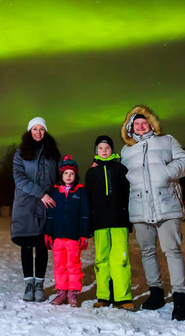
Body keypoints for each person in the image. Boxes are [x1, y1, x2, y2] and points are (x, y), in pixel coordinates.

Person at [119, 105, 185, 321]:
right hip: (140, 207)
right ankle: (156, 294)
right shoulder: (126, 150)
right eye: (136, 124)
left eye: (144, 123)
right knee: (147, 252)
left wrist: (167, 172)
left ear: (151, 124)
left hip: (166, 204)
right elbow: (120, 176)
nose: (141, 126)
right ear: (130, 128)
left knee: (173, 251)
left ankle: (180, 298)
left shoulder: (167, 140)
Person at [11, 117, 61, 302]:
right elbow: (20, 179)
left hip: (46, 205)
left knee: (42, 245)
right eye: (35, 129)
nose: (38, 132)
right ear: (29, 131)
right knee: (26, 244)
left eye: (41, 129)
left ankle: (39, 284)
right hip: (26, 205)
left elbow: (60, 175)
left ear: (45, 131)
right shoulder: (20, 153)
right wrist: (40, 193)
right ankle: (28, 285)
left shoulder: (53, 153)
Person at [85, 135, 134, 310]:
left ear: (112, 150)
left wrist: (129, 218)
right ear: (95, 150)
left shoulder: (121, 169)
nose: (104, 151)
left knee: (120, 259)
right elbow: (88, 199)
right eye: (100, 148)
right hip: (99, 223)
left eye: (107, 148)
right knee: (101, 260)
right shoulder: (91, 172)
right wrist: (88, 224)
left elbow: (128, 195)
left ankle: (123, 297)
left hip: (119, 220)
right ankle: (104, 296)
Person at [44, 155, 90, 307]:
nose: (68, 176)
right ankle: (61, 292)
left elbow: (84, 215)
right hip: (58, 237)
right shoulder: (55, 192)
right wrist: (48, 233)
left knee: (73, 265)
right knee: (60, 266)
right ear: (61, 175)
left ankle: (72, 293)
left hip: (73, 237)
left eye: (71, 173)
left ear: (75, 175)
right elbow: (50, 215)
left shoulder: (80, 192)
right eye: (65, 173)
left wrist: (84, 234)